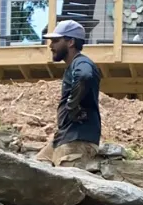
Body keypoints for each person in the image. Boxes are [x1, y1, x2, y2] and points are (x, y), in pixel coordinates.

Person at [41, 18, 101, 168]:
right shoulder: (74, 65)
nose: (51, 46)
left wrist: (72, 106)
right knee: (35, 167)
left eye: (56, 41)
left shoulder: (81, 63)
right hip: (65, 137)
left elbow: (84, 76)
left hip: (77, 141)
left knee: (66, 189)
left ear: (70, 42)